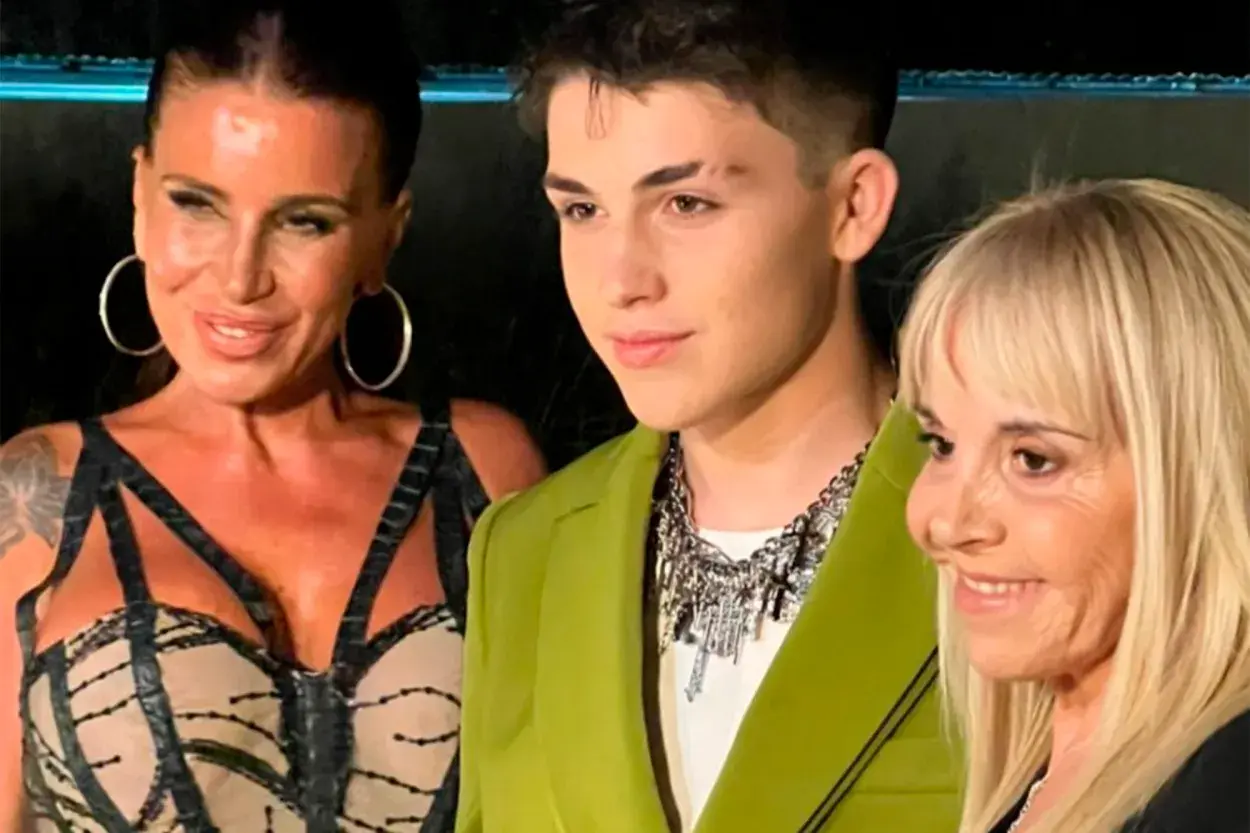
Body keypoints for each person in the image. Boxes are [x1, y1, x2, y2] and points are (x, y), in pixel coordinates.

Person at [0, 2, 547, 831]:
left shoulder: (483, 468)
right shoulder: (34, 494)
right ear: (140, 197)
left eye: (304, 221)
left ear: (384, 237)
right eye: (197, 203)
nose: (240, 277)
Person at [456, 2, 961, 831]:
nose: (621, 279)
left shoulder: (1005, 536)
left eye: (686, 204)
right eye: (582, 210)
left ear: (854, 205)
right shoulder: (525, 551)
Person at [898, 178, 1250, 833]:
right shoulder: (1050, 770)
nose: (944, 521)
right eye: (941, 444)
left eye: (1033, 460)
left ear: (1199, 477)